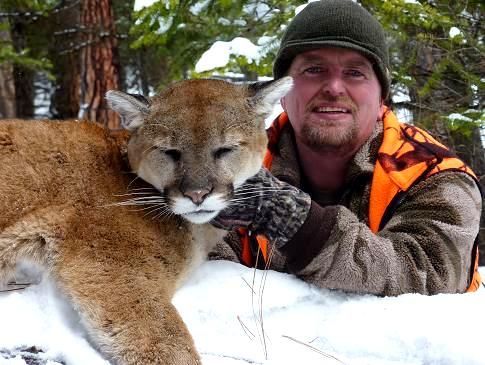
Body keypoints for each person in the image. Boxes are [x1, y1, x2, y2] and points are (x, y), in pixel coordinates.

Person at [209, 0, 482, 296]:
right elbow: (202, 276)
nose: (334, 88)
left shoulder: (431, 173)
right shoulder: (233, 166)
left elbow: (429, 274)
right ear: (282, 94)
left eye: (355, 72)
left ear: (382, 97)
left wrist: (296, 223)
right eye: (314, 69)